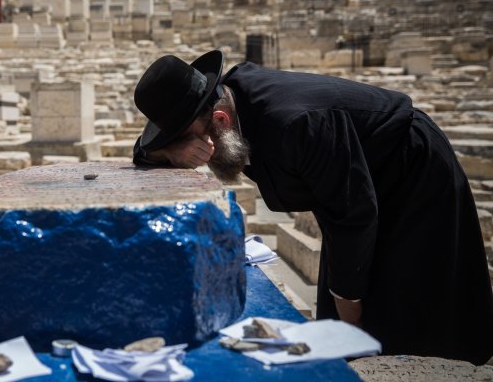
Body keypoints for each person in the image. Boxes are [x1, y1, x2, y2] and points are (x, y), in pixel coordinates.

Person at [132, 49, 493, 365]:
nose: (197, 157)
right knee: (342, 317)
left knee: (400, 317)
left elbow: (353, 213)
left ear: (220, 122)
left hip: (412, 180)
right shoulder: (228, 102)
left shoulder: (295, 122)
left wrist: (350, 312)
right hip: (352, 193)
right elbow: (147, 149)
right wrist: (167, 150)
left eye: (188, 139)